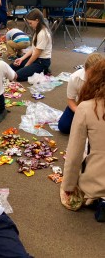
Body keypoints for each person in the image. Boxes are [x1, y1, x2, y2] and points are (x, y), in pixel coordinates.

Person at [60, 60, 105, 220]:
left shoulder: (86, 108)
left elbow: (74, 155)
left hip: (96, 184)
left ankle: (98, 199)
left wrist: (68, 186)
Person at [58, 53, 104, 134]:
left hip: (100, 106)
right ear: (85, 69)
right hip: (79, 106)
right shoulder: (75, 78)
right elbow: (71, 101)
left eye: (96, 75)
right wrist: (81, 113)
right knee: (63, 126)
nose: (93, 78)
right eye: (90, 74)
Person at [10, 8, 52, 82]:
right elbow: (33, 49)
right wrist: (22, 59)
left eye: (30, 23)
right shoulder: (37, 30)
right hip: (36, 59)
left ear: (37, 20)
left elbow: (36, 53)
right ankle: (34, 69)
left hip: (42, 62)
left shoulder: (43, 33)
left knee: (18, 76)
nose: (29, 25)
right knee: (12, 66)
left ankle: (43, 70)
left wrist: (27, 65)